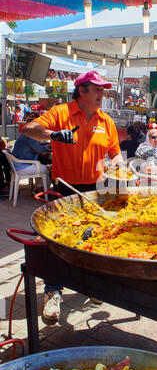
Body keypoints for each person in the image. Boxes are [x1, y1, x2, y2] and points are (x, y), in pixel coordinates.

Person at [22, 71, 124, 324]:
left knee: (93, 239)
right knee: (57, 242)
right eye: (97, 89)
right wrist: (53, 135)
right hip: (64, 188)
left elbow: (116, 154)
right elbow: (28, 128)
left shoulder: (106, 121)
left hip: (94, 191)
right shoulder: (60, 113)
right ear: (82, 90)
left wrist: (120, 167)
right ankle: (53, 292)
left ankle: (92, 288)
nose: (102, 94)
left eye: (103, 90)